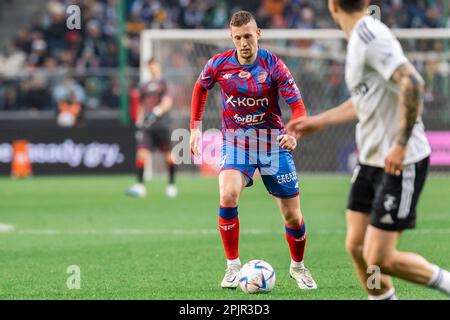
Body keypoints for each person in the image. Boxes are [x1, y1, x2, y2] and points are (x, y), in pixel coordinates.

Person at [287, 0, 450, 300]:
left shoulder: (370, 37)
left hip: (402, 161)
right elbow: (365, 100)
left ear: (332, 6)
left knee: (381, 258)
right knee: (357, 246)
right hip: (371, 160)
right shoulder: (358, 41)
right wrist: (319, 122)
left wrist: (400, 146)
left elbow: (413, 82)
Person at [189, 11, 317, 290]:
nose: (243, 42)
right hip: (236, 141)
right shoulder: (219, 64)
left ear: (258, 33)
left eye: (248, 36)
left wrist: (293, 133)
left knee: (292, 216)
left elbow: (298, 106)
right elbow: (200, 87)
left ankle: (298, 267)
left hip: (272, 142)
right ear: (231, 37)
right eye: (238, 38)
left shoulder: (274, 65)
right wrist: (195, 127)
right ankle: (232, 266)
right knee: (227, 194)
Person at [127, 58, 177, 198]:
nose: (152, 69)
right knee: (142, 153)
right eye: (150, 67)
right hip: (147, 126)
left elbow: (167, 102)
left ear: (159, 67)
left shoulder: (165, 83)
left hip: (162, 125)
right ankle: (140, 185)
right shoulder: (144, 85)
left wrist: (156, 113)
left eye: (154, 66)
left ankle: (171, 185)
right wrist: (139, 121)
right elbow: (142, 105)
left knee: (168, 156)